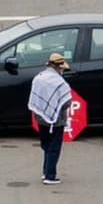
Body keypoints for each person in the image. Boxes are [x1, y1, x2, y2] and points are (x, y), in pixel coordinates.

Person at [29, 53, 72, 186]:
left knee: (46, 145)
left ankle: (45, 171)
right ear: (58, 67)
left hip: (40, 117)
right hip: (57, 120)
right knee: (54, 147)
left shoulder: (39, 78)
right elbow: (67, 102)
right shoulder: (60, 82)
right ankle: (50, 175)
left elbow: (35, 98)